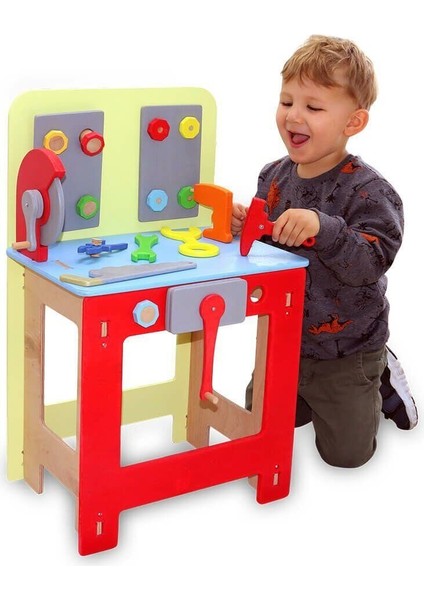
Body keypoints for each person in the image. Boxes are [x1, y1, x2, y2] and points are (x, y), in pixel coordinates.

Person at [231, 35, 418, 468]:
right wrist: (244, 228)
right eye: (287, 102)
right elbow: (267, 252)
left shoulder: (370, 190)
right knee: (256, 426)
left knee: (347, 456)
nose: (293, 115)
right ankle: (308, 397)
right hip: (284, 341)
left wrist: (325, 229)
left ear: (353, 122)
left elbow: (372, 261)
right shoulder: (273, 176)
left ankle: (381, 374)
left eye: (313, 107)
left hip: (346, 349)